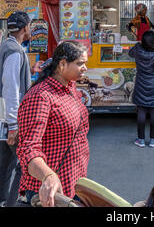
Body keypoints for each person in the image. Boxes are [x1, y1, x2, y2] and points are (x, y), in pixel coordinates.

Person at [16, 40, 89, 207]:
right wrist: (48, 176)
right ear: (62, 64)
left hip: (73, 180)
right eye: (80, 64)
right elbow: (28, 149)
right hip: (47, 190)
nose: (85, 68)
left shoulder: (69, 86)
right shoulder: (40, 96)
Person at [0, 11, 42, 207]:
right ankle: (10, 202)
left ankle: (3, 199)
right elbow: (10, 88)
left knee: (6, 163)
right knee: (22, 164)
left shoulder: (8, 46)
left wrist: (31, 70)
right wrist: (14, 125)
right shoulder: (14, 51)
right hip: (9, 118)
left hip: (4, 117)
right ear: (25, 28)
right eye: (30, 26)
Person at [128, 31, 154, 148]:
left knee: (141, 111)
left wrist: (137, 44)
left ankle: (140, 140)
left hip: (141, 83)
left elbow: (130, 53)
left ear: (142, 41)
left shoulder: (137, 49)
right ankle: (153, 140)